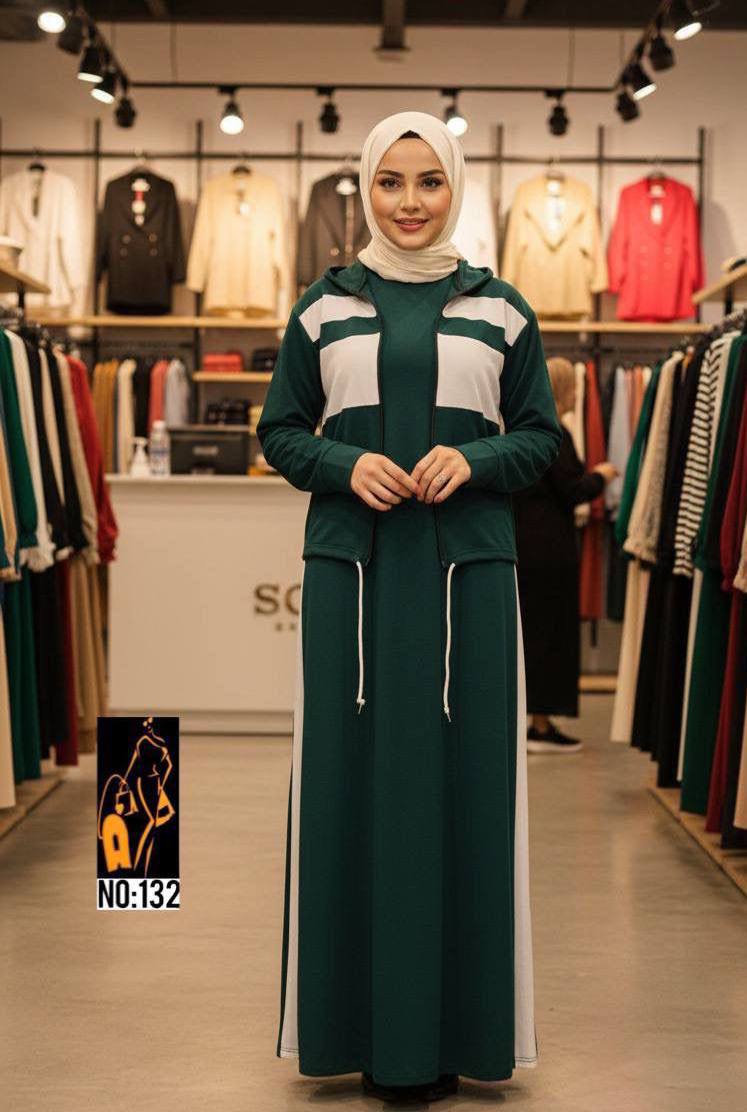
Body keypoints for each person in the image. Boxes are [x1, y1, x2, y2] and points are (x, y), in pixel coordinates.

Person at [256, 110, 562, 1103]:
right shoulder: (323, 308)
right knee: (346, 791)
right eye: (390, 182)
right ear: (365, 187)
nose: (410, 201)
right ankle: (355, 1031)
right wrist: (344, 465)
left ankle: (459, 1032)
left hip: (467, 586)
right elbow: (280, 431)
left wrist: (474, 458)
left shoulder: (501, 309)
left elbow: (541, 438)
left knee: (469, 793)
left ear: (456, 186)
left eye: (429, 181)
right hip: (353, 588)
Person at [513, 356, 618, 754]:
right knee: (549, 637)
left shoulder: (521, 429)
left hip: (525, 547)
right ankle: (540, 726)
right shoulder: (554, 433)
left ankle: (535, 721)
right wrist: (602, 477)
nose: (578, 393)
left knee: (532, 635)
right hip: (550, 552)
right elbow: (572, 490)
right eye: (572, 387)